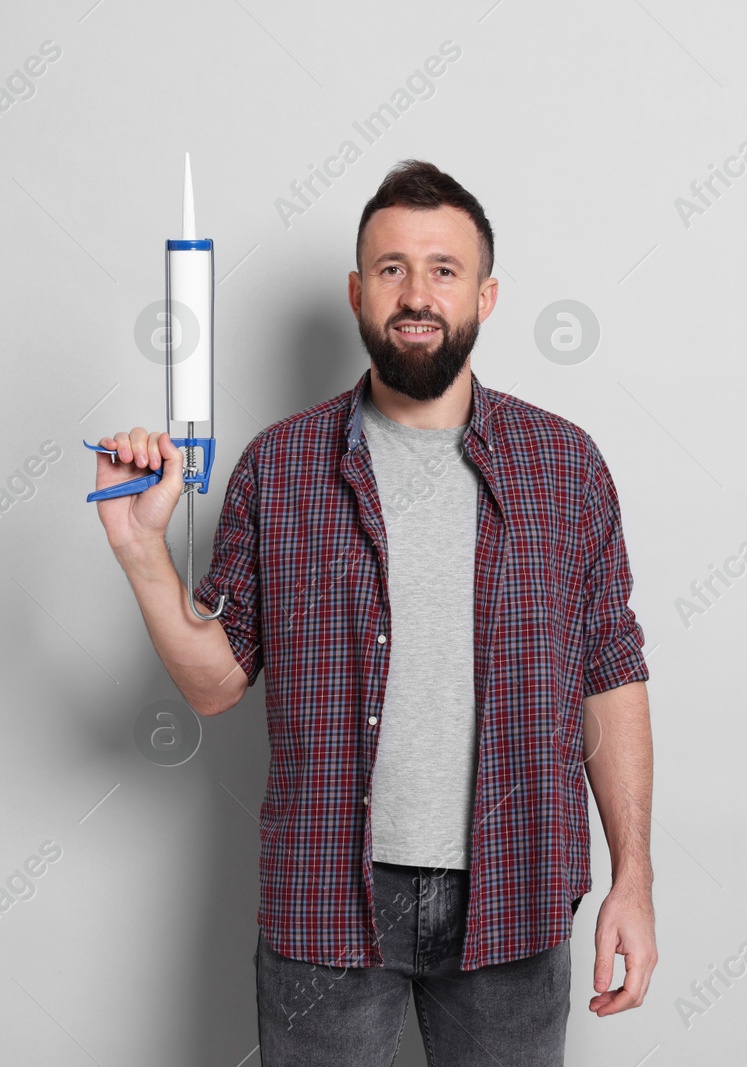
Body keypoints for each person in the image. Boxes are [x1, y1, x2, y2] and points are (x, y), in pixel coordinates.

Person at [95, 160, 656, 1066]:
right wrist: (138, 547)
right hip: (327, 902)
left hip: (518, 892)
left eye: (443, 268)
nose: (417, 293)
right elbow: (211, 684)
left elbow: (610, 676)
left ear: (487, 293)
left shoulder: (565, 467)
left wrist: (634, 878)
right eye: (391, 268)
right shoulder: (279, 469)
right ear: (358, 292)